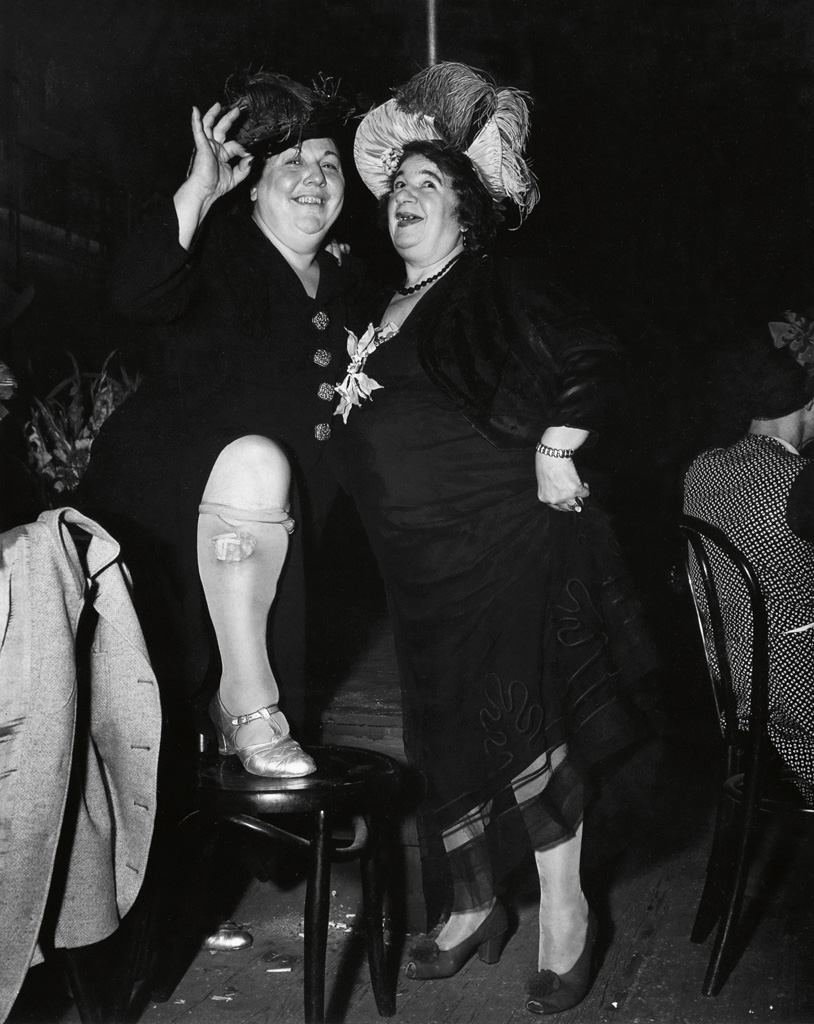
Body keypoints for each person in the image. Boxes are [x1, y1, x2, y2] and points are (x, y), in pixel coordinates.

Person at [329, 63, 660, 1015]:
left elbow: (595, 355)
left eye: (429, 187)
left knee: (520, 720)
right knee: (443, 731)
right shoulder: (377, 309)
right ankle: (472, 905)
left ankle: (565, 915)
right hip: (417, 570)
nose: (404, 200)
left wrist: (559, 446)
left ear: (467, 214)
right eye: (397, 188)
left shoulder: (497, 282)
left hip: (503, 543)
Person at [80, 70, 368, 779]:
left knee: (241, 779)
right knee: (150, 750)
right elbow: (134, 291)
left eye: (330, 163)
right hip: (161, 524)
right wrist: (200, 191)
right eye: (292, 161)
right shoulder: (216, 249)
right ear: (254, 183)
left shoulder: (354, 288)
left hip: (275, 555)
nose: (314, 176)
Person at [684, 314, 814, 802]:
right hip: (802, 699)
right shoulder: (799, 479)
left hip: (738, 695)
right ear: (809, 406)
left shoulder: (702, 469)